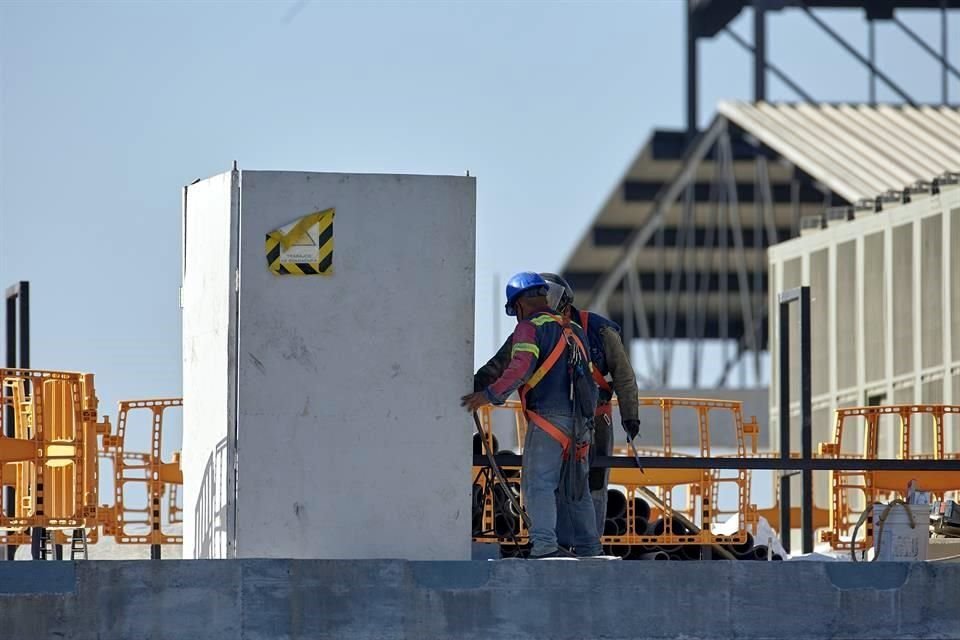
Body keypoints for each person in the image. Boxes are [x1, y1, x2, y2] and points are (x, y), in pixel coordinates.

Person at [476, 273, 641, 537]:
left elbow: (623, 375)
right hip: (551, 419)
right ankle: (559, 542)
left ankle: (585, 543)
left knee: (590, 483)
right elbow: (501, 364)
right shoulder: (534, 328)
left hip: (592, 420)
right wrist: (474, 386)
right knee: (548, 481)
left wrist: (630, 415)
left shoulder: (599, 330)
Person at [462, 272, 602, 559]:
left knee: (538, 484)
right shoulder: (574, 329)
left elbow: (520, 368)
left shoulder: (529, 327)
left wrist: (488, 395)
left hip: (548, 420)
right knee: (577, 488)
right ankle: (590, 548)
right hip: (581, 422)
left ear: (519, 305)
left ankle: (545, 546)